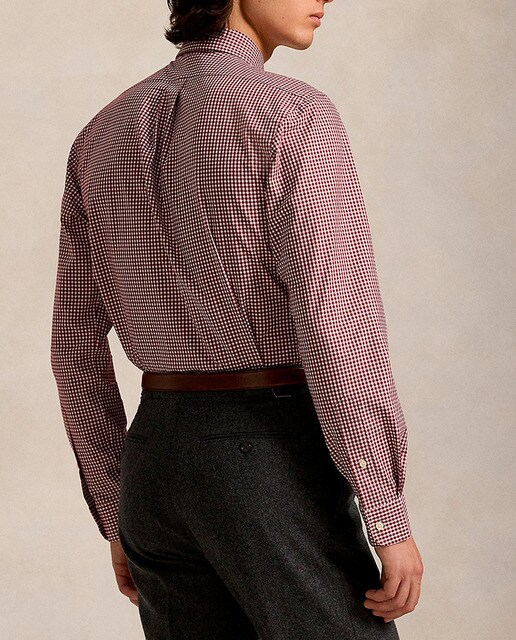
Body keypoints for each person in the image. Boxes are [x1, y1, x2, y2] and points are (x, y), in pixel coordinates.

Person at [50, 0, 424, 637]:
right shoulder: (293, 115)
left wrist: (120, 513)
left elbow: (74, 347)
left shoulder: (103, 133)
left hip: (154, 462)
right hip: (267, 456)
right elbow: (336, 327)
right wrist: (385, 512)